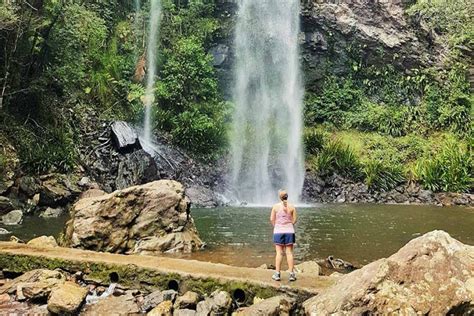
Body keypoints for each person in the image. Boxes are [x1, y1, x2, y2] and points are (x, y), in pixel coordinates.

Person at [270, 190, 297, 281]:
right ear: (287, 196)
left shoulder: (275, 207)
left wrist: (277, 226)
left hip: (278, 232)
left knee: (279, 253)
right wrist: (289, 225)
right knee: (289, 252)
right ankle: (292, 274)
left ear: (279, 197)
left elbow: (271, 219)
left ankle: (277, 274)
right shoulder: (292, 207)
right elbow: (294, 220)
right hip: (289, 231)